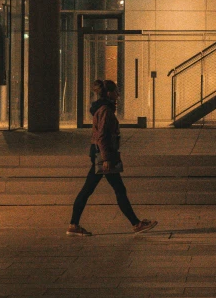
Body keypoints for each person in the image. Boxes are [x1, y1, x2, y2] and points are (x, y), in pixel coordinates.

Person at [67, 80, 157, 237]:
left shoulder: (103, 109)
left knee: (91, 190)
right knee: (115, 189)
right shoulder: (105, 111)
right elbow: (102, 136)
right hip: (104, 154)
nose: (118, 94)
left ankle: (74, 224)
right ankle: (136, 224)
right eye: (116, 91)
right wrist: (106, 158)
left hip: (101, 153)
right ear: (108, 93)